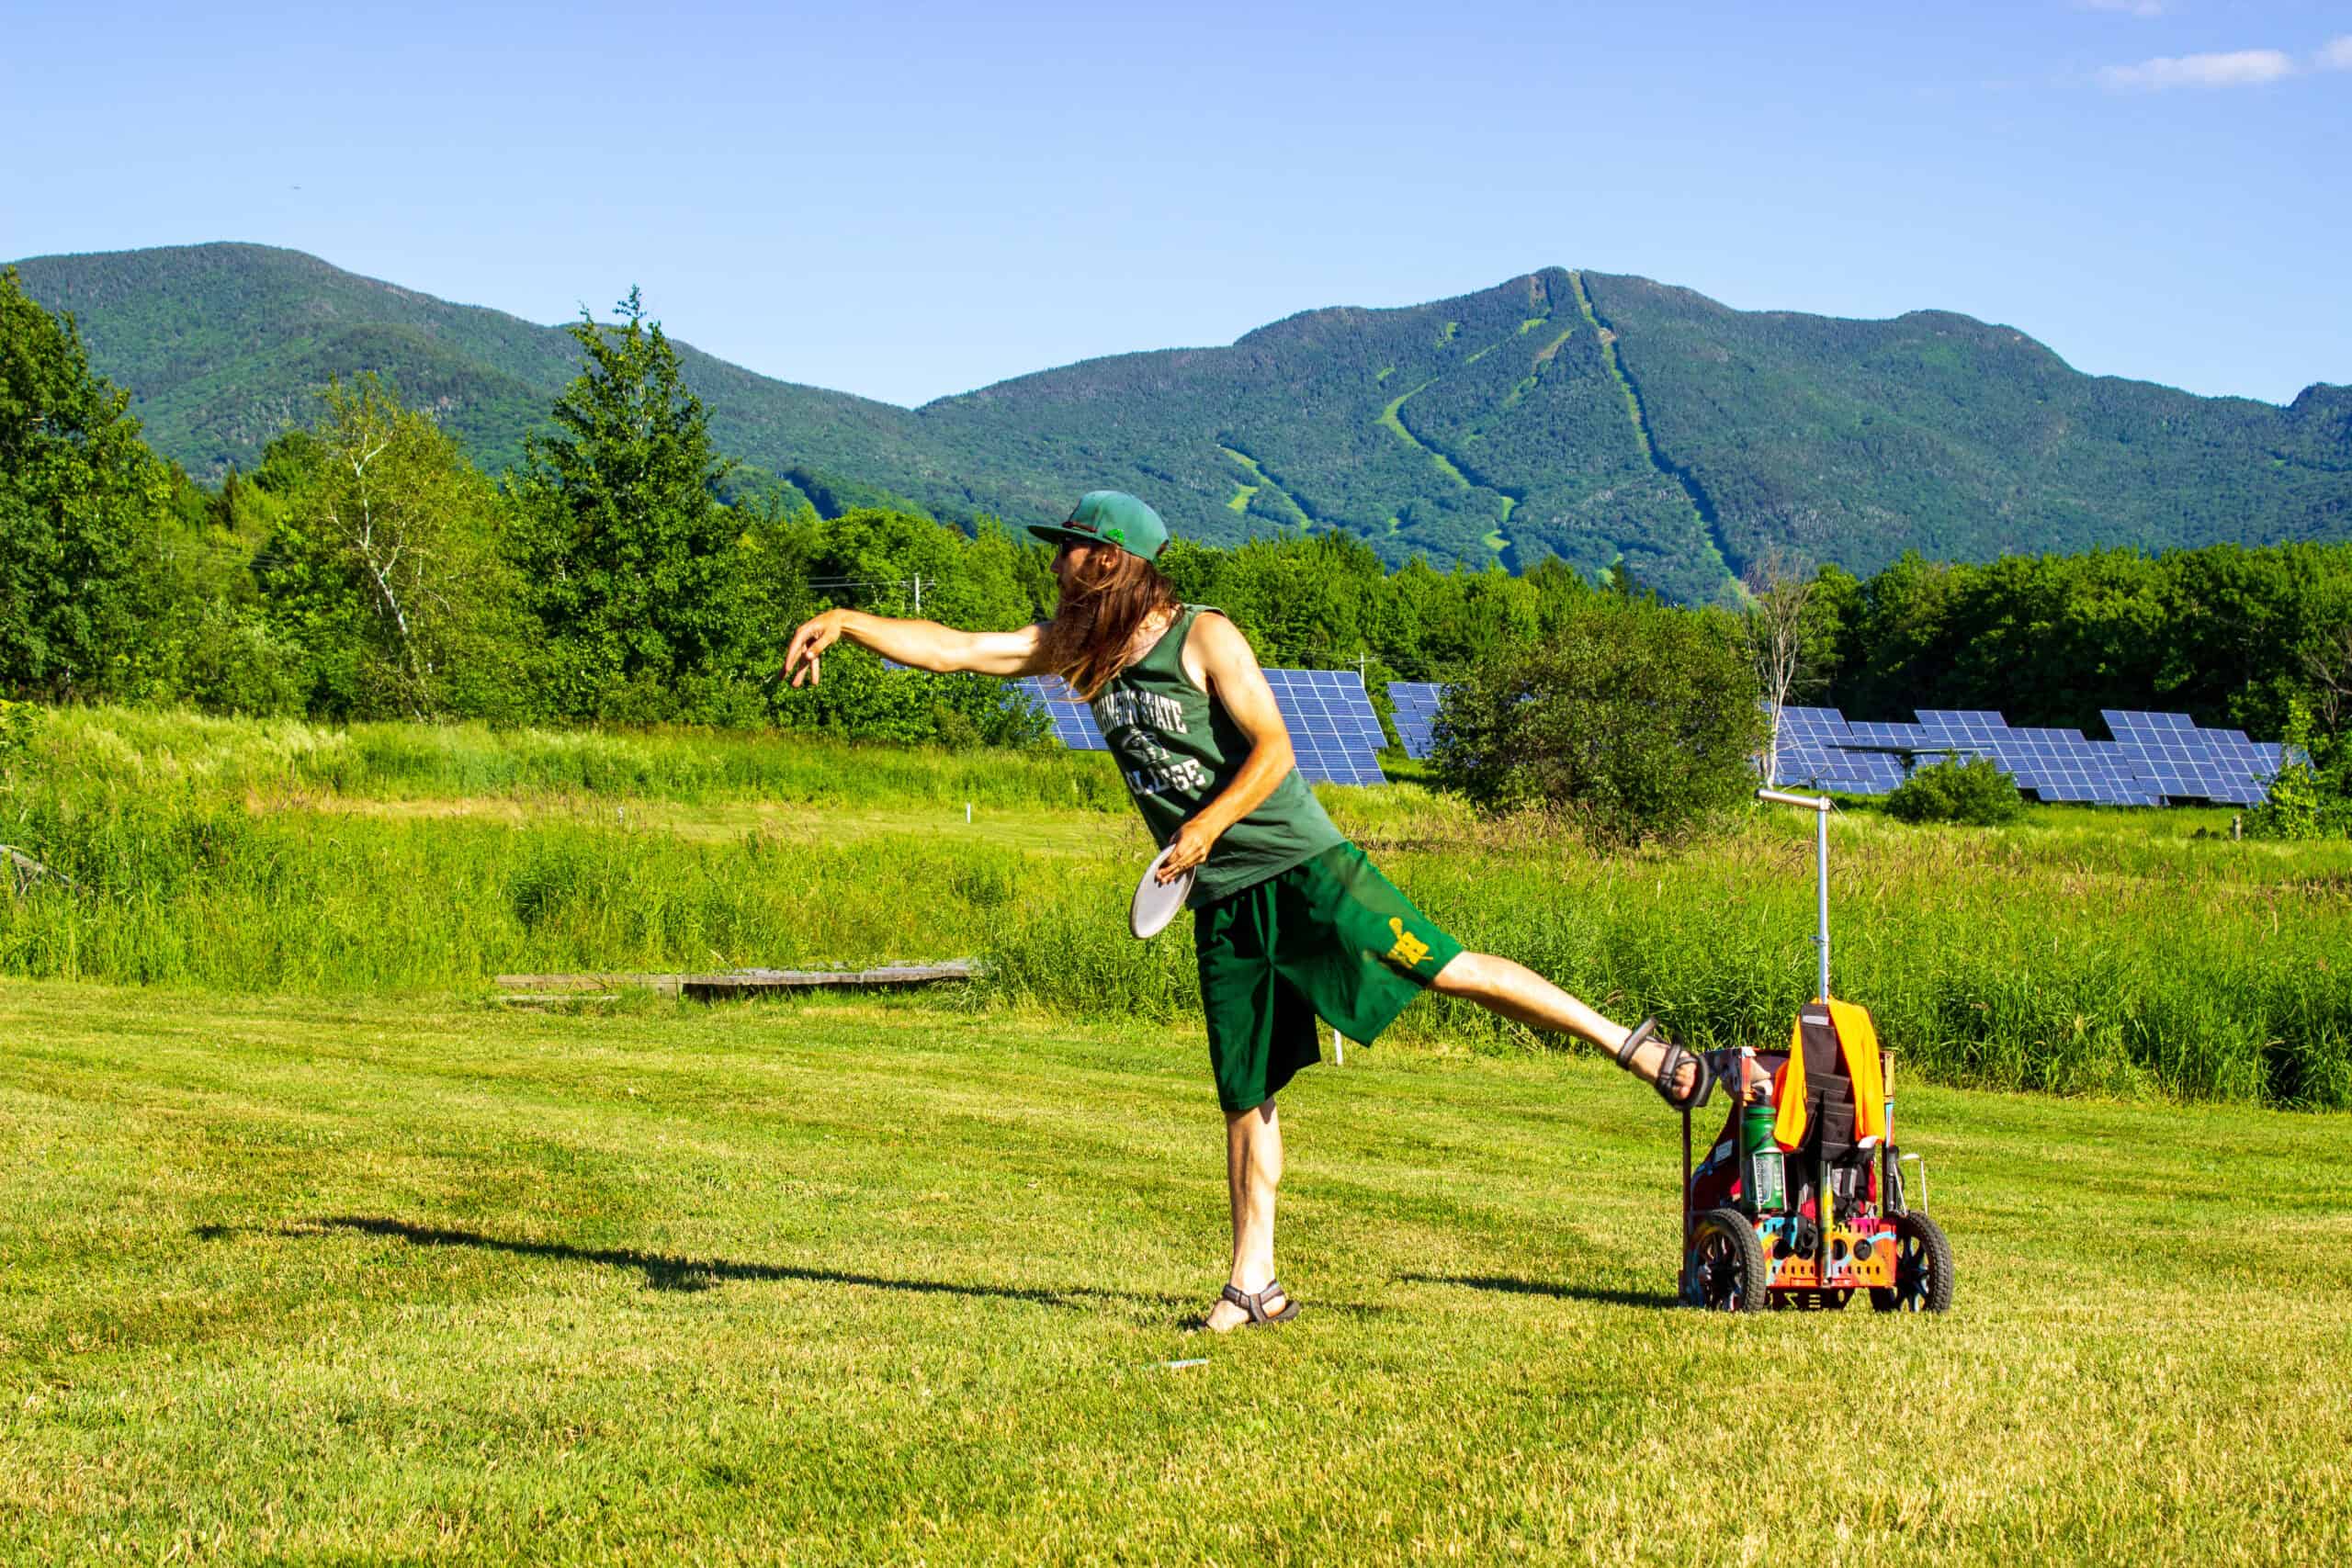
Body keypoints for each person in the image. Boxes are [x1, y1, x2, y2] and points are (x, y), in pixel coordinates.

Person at [785, 491, 1708, 1333]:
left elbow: (1272, 749)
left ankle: (1630, 1045)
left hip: (1304, 865)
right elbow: (956, 648)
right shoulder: (1080, 647)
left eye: (1069, 549)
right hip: (1219, 899)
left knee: (1447, 968)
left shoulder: (1203, 636)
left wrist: (1205, 825)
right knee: (1245, 1090)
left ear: (1109, 559)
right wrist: (844, 621)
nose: (1055, 562)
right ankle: (1250, 1285)